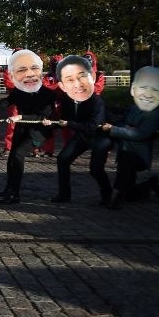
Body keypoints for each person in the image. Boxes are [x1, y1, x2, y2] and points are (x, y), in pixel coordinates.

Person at [0, 49, 56, 204]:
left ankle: (15, 194)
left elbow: (42, 117)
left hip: (38, 131)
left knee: (18, 154)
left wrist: (20, 117)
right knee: (11, 158)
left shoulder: (48, 94)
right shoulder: (21, 90)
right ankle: (9, 187)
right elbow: (3, 103)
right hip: (22, 128)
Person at [44, 55, 112, 205]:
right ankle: (64, 195)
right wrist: (51, 123)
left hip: (99, 138)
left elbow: (92, 126)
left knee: (95, 169)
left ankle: (108, 196)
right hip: (82, 135)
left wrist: (68, 123)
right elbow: (64, 118)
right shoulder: (69, 99)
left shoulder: (96, 101)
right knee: (62, 159)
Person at [100, 67, 159, 208]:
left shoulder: (154, 114)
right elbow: (123, 123)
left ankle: (115, 197)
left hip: (139, 157)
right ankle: (151, 184)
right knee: (130, 195)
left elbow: (139, 135)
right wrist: (116, 125)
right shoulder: (134, 108)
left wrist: (115, 129)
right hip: (126, 152)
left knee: (125, 162)